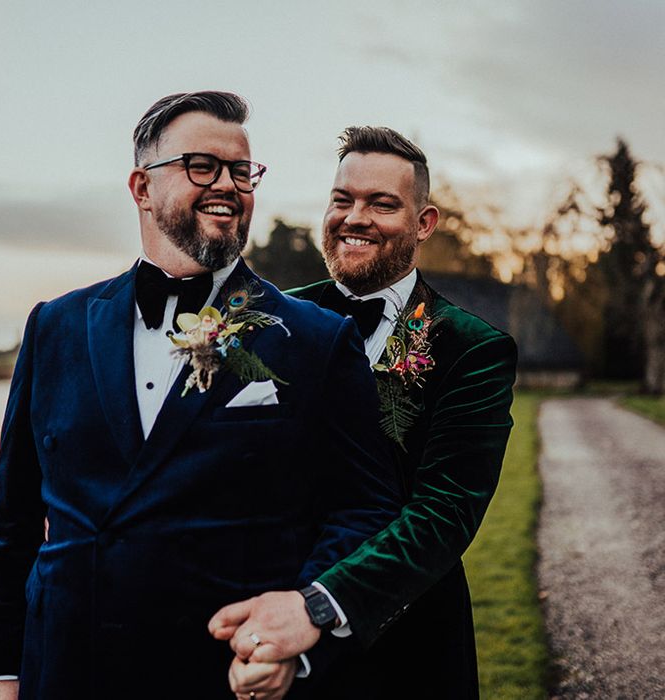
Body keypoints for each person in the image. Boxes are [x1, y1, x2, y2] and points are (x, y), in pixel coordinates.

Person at [0, 94, 401, 700]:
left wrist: (301, 624)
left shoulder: (315, 338)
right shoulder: (54, 326)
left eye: (241, 171)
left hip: (226, 676)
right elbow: (11, 522)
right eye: (202, 165)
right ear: (141, 188)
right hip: (65, 669)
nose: (227, 184)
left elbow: (364, 508)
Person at [210, 126, 518, 699]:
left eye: (382, 204)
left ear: (423, 224)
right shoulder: (267, 318)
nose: (355, 218)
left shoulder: (471, 348)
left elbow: (442, 516)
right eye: (342, 200)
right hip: (263, 633)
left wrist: (318, 607)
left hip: (404, 649)